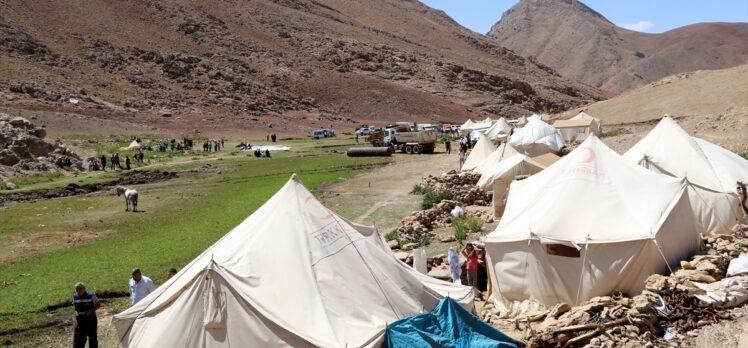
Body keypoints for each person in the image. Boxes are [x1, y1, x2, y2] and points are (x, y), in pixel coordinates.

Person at [72, 282, 100, 348]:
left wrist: (91, 311)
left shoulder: (91, 295)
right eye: (77, 289)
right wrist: (76, 312)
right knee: (78, 340)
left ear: (84, 288)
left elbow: (98, 305)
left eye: (80, 289)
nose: (78, 291)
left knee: (92, 339)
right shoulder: (75, 296)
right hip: (80, 321)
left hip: (91, 321)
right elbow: (75, 307)